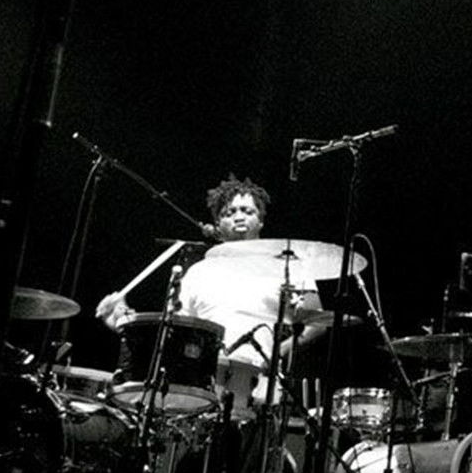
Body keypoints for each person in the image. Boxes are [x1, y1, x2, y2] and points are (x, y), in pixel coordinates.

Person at [97, 176, 325, 419]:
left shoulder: (287, 267)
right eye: (230, 212)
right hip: (201, 382)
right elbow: (175, 332)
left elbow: (317, 322)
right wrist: (125, 321)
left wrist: (279, 352)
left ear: (260, 221)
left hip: (258, 381)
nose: (239, 216)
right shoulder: (199, 271)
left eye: (247, 210)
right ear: (218, 223)